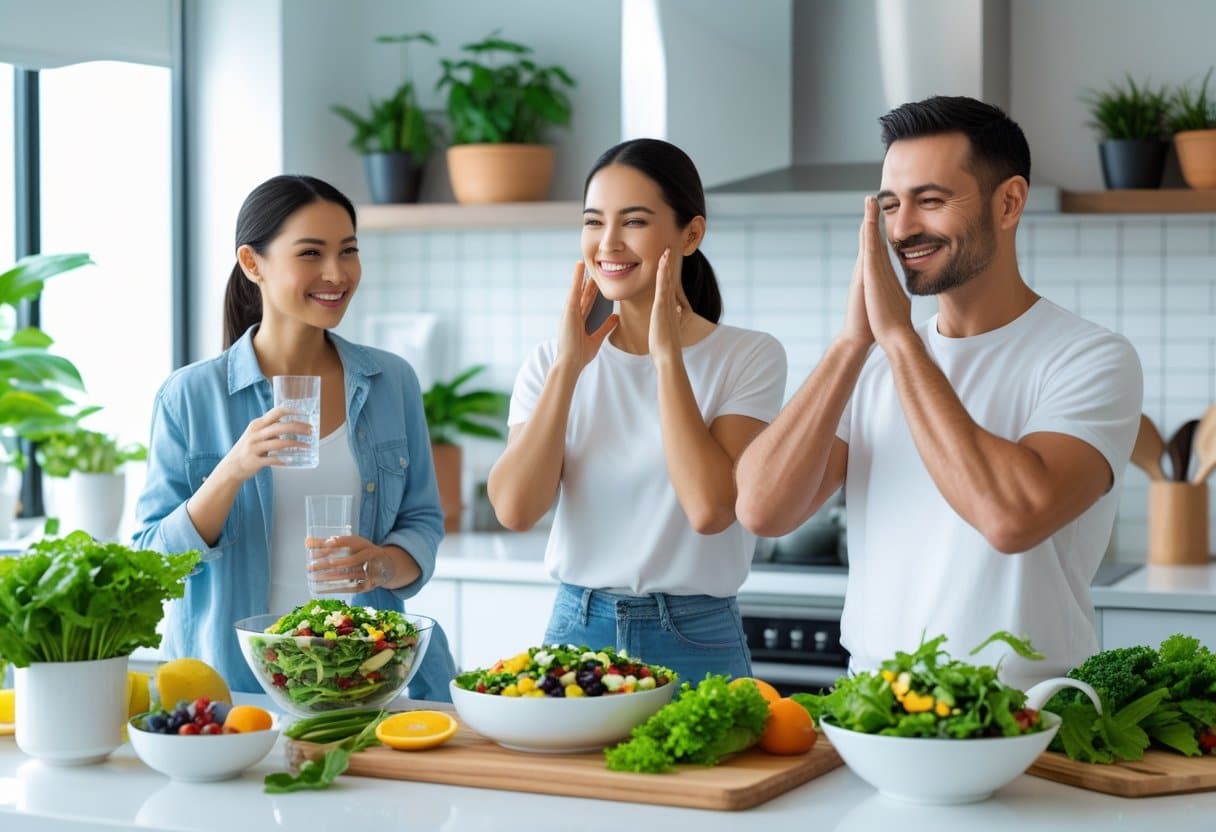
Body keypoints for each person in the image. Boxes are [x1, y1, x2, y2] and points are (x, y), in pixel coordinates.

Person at [735, 96, 1143, 690]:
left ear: (1009, 202)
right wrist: (853, 343)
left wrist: (899, 339)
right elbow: (762, 509)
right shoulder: (870, 363)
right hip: (875, 708)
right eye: (891, 205)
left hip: (1028, 715)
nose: (901, 229)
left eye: (930, 200)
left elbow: (1011, 518)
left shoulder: (1090, 358)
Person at [133, 174, 457, 699]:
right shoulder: (190, 396)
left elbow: (421, 522)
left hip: (366, 676)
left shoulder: (390, 382)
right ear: (252, 263)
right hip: (235, 689)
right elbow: (152, 561)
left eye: (348, 250)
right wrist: (232, 469)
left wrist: (379, 563)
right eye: (311, 253)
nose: (336, 273)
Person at [487, 139, 787, 685]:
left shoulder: (749, 355)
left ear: (691, 234)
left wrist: (666, 356)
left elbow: (710, 508)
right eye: (594, 222)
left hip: (696, 636)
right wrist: (568, 370)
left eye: (634, 222)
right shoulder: (553, 360)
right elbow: (515, 509)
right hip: (576, 630)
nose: (608, 243)